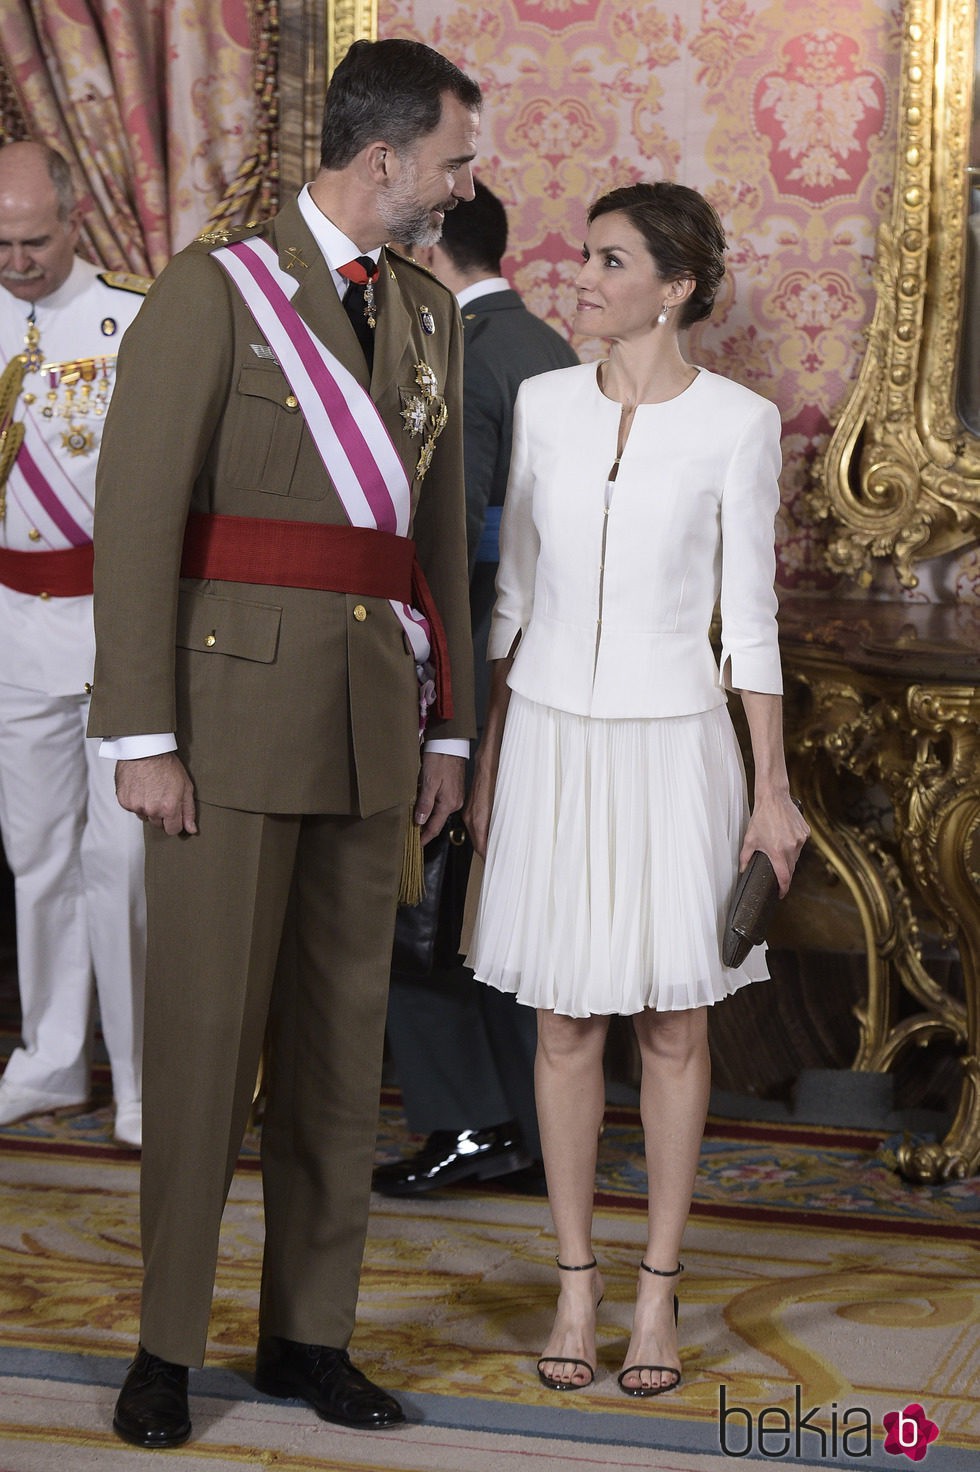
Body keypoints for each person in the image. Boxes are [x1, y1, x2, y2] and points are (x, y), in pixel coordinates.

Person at [88, 39, 480, 1449]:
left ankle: (309, 1331)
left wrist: (453, 734)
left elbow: (434, 547)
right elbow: (133, 523)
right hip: (223, 726)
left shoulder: (431, 320)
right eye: (453, 158)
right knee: (203, 1048)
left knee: (336, 1054)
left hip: (376, 725)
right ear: (383, 160)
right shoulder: (212, 293)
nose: (462, 182)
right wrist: (143, 735)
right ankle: (166, 1348)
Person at [463, 182, 809, 1397]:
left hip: (674, 741)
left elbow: (749, 627)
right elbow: (511, 601)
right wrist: (487, 757)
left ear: (673, 288)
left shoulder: (737, 422)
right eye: (584, 256)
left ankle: (656, 1290)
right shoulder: (543, 403)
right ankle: (574, 1277)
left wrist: (768, 792)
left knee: (672, 1022)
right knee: (561, 1018)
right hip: (552, 735)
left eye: (610, 262)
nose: (582, 276)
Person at [376, 179, 577, 1197]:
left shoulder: (455, 349)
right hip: (536, 665)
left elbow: (449, 540)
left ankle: (467, 1121)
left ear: (435, 240)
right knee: (489, 905)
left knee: (419, 903)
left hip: (466, 660)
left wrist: (427, 693)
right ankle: (524, 1124)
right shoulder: (543, 345)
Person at [0, 141, 147, 1148]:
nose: (17, 259)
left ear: (78, 216)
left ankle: (141, 1077)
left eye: (36, 239)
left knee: (124, 859)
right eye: (0, 243)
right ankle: (51, 1056)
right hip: (12, 620)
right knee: (36, 852)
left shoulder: (137, 317)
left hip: (116, 618)